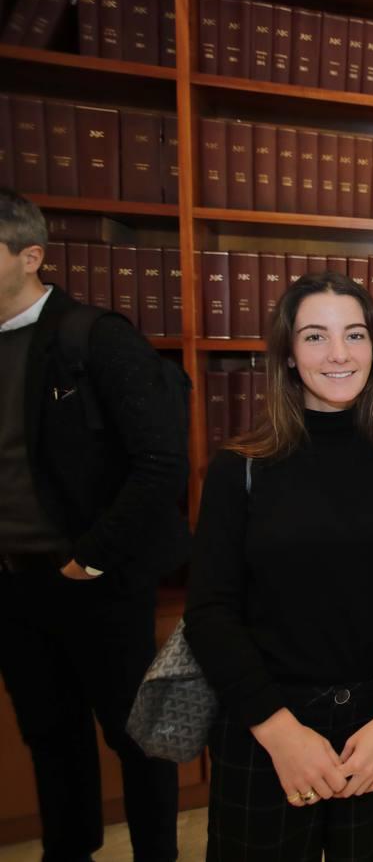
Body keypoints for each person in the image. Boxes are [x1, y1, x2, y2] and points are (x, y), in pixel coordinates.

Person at [185, 272, 373, 861]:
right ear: (285, 355)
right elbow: (209, 611)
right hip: (266, 724)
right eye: (315, 337)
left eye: (355, 335)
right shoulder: (240, 468)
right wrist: (280, 734)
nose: (338, 354)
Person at [0, 188, 186, 862]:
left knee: (139, 740)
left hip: (98, 581)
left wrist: (93, 556)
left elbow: (162, 460)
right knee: (49, 735)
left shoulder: (96, 338)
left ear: (31, 257)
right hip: (14, 587)